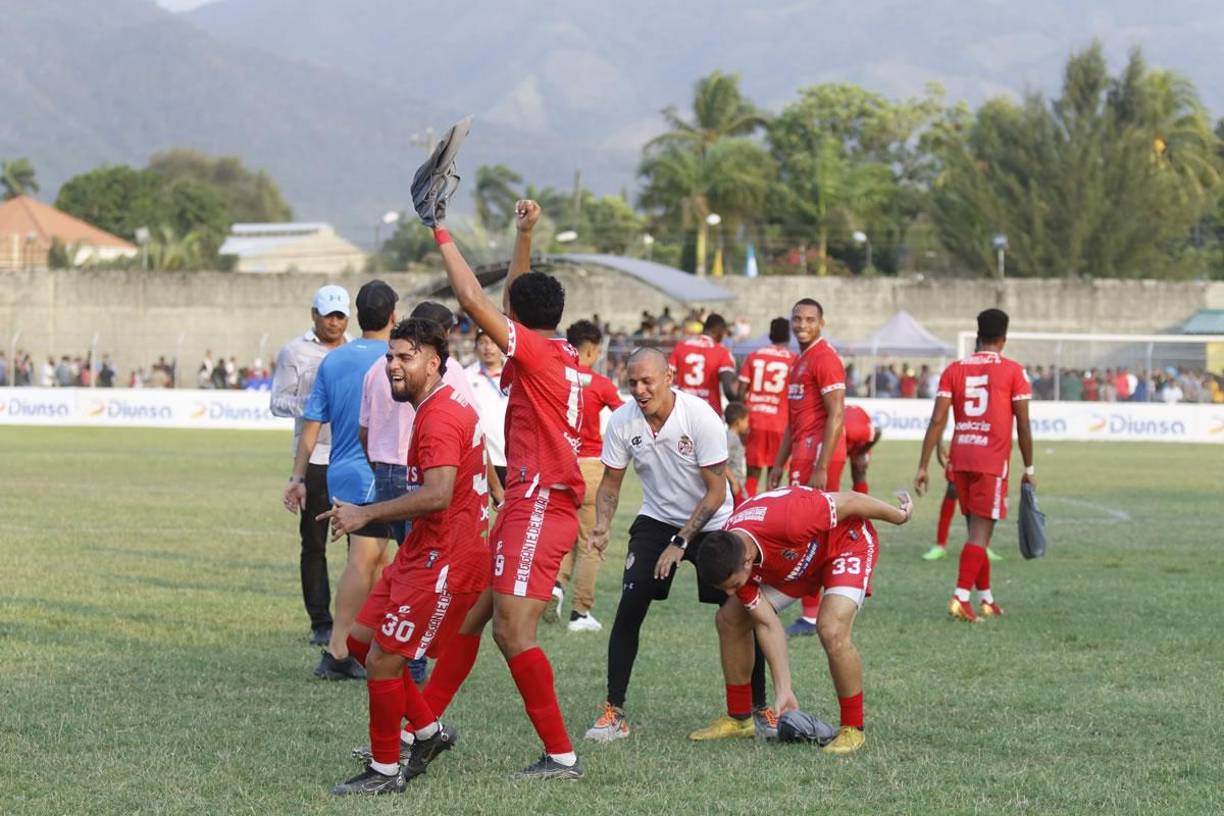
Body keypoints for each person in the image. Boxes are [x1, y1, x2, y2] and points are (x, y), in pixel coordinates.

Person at [421, 199, 588, 779]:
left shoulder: (535, 353)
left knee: (511, 631)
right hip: (530, 501)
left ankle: (561, 755)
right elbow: (512, 300)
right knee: (470, 619)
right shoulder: (557, 349)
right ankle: (421, 729)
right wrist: (526, 235)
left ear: (516, 319)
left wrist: (439, 228)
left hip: (538, 503)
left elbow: (471, 300)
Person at [321, 318, 490, 795]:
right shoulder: (438, 403)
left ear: (433, 363)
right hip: (423, 549)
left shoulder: (437, 416)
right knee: (357, 641)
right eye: (390, 356)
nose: (393, 365)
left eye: (405, 357)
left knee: (383, 660)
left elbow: (437, 494)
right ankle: (430, 732)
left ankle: (384, 769)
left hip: (443, 559)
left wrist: (364, 514)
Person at [581, 348, 775, 744]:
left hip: (715, 521)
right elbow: (611, 485)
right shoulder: (622, 421)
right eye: (632, 382)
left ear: (669, 376)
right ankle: (614, 712)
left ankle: (759, 709)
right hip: (657, 519)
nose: (639, 389)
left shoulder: (700, 416)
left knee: (739, 615)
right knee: (629, 606)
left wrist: (681, 542)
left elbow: (716, 492)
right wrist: (602, 526)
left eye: (647, 381)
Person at [696, 486, 913, 756]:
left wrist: (900, 516)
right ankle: (740, 719)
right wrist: (783, 690)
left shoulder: (791, 518)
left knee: (831, 630)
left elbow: (852, 500)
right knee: (730, 618)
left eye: (734, 584)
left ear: (748, 560)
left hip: (846, 543)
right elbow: (767, 624)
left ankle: (852, 728)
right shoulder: (734, 552)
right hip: (799, 565)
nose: (731, 591)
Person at [283, 280, 398, 677]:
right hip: (375, 471)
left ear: (357, 316)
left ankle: (363, 643)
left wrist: (298, 474)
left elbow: (312, 423)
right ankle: (336, 651)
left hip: (341, 469)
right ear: (393, 316)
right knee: (364, 559)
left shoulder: (334, 360)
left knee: (379, 559)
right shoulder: (396, 359)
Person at [914, 308, 1034, 622]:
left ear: (977, 334)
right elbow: (1023, 424)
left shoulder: (954, 370)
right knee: (980, 535)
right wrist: (1030, 468)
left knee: (975, 532)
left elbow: (937, 419)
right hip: (990, 462)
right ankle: (960, 598)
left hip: (960, 459)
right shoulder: (1013, 371)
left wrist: (923, 465)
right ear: (1004, 339)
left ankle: (986, 598)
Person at [271, 285, 350, 647]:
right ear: (313, 314)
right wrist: (315, 404)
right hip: (314, 456)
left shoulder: (356, 350)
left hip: (352, 454)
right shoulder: (294, 352)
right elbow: (278, 402)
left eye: (340, 316)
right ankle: (321, 620)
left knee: (361, 543)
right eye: (327, 315)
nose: (334, 322)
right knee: (314, 543)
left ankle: (356, 617)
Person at [767, 298, 847, 637]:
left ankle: (813, 615)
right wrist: (778, 462)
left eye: (809, 319)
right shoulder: (800, 361)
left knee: (808, 532)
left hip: (817, 455)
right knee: (807, 531)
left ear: (821, 323)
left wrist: (821, 465)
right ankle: (814, 609)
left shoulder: (825, 358)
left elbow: (837, 413)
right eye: (797, 318)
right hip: (800, 452)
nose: (802, 324)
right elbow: (792, 421)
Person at [555, 318, 624, 632]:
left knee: (568, 535)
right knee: (592, 541)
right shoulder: (600, 383)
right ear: (593, 350)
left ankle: (556, 585)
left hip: (558, 464)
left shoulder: (552, 378)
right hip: (591, 465)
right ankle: (580, 612)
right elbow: (624, 415)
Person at [737, 317, 796, 497]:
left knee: (752, 475)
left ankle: (746, 516)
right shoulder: (794, 360)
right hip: (781, 424)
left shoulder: (754, 356)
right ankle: (767, 519)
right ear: (789, 337)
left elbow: (741, 391)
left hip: (754, 420)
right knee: (774, 476)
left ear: (770, 335)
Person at [668, 313, 738, 416]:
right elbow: (728, 389)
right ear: (719, 332)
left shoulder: (681, 346)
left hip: (682, 410)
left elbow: (665, 376)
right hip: (709, 412)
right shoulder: (722, 352)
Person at [464, 328, 509, 491]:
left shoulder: (514, 373)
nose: (488, 348)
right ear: (476, 347)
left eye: (492, 343)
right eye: (482, 343)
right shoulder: (466, 376)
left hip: (511, 457)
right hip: (482, 458)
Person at [844, 404, 881, 494]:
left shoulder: (855, 431)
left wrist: (861, 452)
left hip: (857, 435)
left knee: (859, 470)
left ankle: (861, 505)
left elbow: (878, 431)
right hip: (842, 435)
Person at [724, 402, 749, 505]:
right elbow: (722, 462)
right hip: (732, 485)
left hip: (737, 486)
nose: (748, 424)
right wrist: (733, 481)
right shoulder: (731, 438)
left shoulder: (735, 437)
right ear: (738, 422)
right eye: (746, 420)